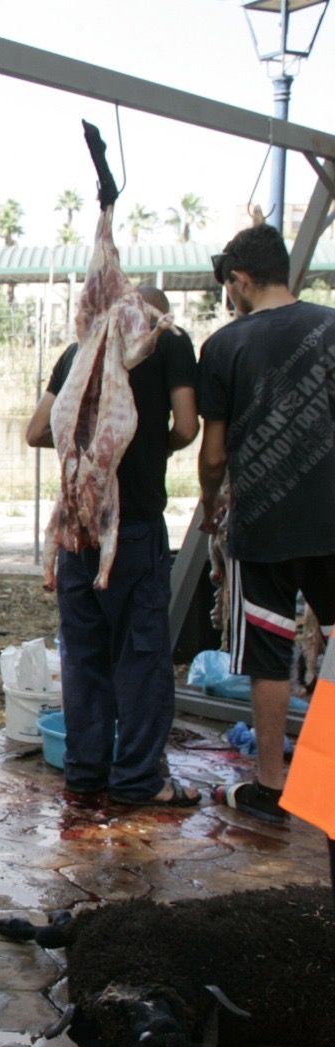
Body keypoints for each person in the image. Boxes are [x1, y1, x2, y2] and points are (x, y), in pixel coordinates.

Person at [24, 285, 199, 806]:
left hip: (79, 527)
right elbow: (188, 425)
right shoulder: (169, 343)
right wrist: (143, 447)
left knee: (83, 656)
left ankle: (85, 772)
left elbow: (36, 430)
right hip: (133, 527)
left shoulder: (79, 354)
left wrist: (89, 448)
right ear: (155, 317)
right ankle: (140, 780)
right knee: (141, 657)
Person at [197, 223, 335, 824]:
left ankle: (272, 785)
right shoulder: (332, 326)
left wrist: (209, 506)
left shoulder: (225, 346)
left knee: (269, 651)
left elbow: (214, 453)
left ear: (239, 280)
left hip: (264, 523)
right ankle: (327, 778)